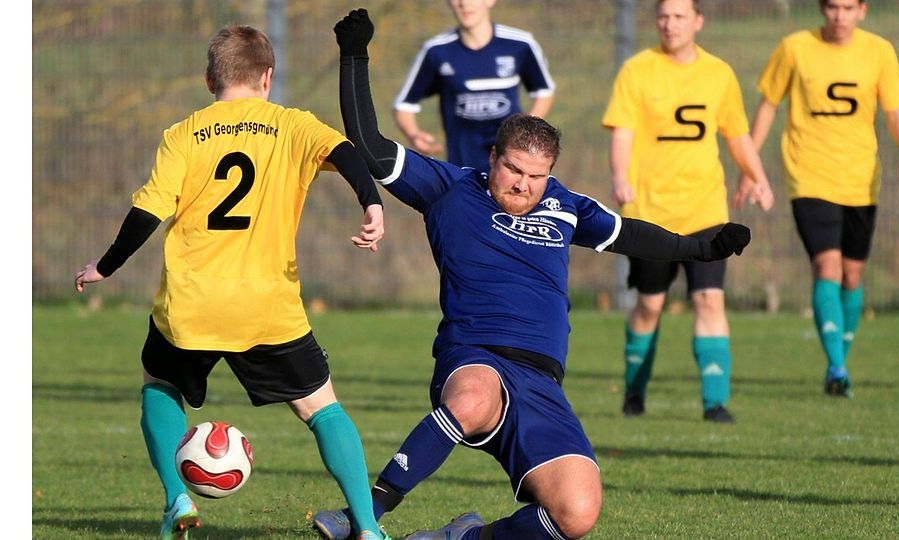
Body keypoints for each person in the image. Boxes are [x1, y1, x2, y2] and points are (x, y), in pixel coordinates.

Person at [313, 9, 751, 540]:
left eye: (536, 176)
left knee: (577, 513)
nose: (523, 185)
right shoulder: (451, 187)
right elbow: (373, 145)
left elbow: (631, 234)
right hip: (474, 356)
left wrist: (701, 247)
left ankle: (462, 537)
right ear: (492, 156)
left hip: (542, 381)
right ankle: (363, 518)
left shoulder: (566, 205)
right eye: (513, 170)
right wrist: (354, 56)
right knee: (473, 399)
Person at [74, 24, 391, 540]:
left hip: (191, 304)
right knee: (320, 408)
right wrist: (371, 202)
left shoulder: (183, 133)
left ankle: (177, 500)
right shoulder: (292, 125)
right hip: (267, 306)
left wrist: (105, 266)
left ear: (209, 79)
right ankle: (368, 529)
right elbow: (350, 153)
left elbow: (146, 212)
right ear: (268, 77)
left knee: (160, 385)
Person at [600, 0, 774, 423]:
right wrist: (620, 175)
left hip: (706, 209)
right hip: (651, 213)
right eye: (663, 17)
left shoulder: (719, 73)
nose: (669, 24)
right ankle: (634, 392)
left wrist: (757, 174)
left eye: (679, 16)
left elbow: (737, 135)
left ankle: (715, 402)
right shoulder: (638, 70)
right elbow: (623, 132)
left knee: (710, 300)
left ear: (698, 21)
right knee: (649, 306)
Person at [747, 0, 899, 397]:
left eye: (848, 7)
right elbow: (769, 106)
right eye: (832, 7)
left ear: (863, 10)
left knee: (852, 274)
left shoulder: (880, 51)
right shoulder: (794, 47)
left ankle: (840, 358)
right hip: (809, 176)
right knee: (826, 265)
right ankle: (837, 367)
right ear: (822, 9)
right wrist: (751, 166)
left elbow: (895, 112)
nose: (839, 15)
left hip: (861, 178)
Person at [393, 0, 555, 173]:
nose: (464, 3)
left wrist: (523, 134)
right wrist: (414, 134)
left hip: (511, 171)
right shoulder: (437, 51)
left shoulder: (520, 45)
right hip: (462, 170)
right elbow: (404, 106)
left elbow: (544, 92)